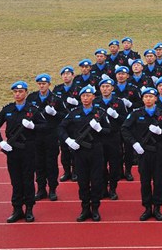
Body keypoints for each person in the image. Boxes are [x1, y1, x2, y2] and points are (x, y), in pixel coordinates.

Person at [0, 81, 45, 223]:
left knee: (27, 180)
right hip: (12, 150)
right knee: (15, 181)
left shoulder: (33, 110)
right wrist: (1, 141)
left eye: (20, 92)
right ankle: (17, 209)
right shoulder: (8, 109)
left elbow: (44, 126)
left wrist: (33, 126)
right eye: (15, 92)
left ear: (26, 93)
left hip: (28, 149)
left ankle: (29, 209)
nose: (17, 94)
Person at [59, 85, 110, 222]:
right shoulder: (74, 112)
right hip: (80, 152)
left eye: (88, 96)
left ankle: (95, 208)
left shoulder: (100, 113)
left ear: (93, 97)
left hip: (96, 150)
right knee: (82, 181)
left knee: (96, 181)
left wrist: (99, 129)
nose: (86, 98)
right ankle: (85, 208)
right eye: (83, 96)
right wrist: (68, 140)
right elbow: (61, 128)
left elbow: (109, 130)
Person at [122, 87, 162, 221]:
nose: (148, 99)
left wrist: (160, 132)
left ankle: (157, 207)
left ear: (155, 98)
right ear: (143, 99)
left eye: (151, 96)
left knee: (159, 180)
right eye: (146, 97)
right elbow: (125, 129)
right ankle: (147, 207)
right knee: (145, 181)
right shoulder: (136, 114)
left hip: (158, 151)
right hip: (143, 151)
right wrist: (134, 143)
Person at [26, 73, 67, 202]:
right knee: (38, 164)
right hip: (36, 136)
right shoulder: (32, 98)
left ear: (49, 84)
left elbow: (65, 115)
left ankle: (53, 189)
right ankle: (41, 189)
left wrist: (55, 113)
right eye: (40, 84)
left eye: (44, 84)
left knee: (51, 164)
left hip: (51, 136)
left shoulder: (56, 99)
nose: (42, 86)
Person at [94, 78, 128, 200]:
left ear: (112, 88)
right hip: (99, 137)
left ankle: (113, 188)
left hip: (114, 137)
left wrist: (117, 115)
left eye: (108, 87)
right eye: (103, 87)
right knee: (100, 164)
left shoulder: (118, 102)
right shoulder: (95, 102)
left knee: (115, 165)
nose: (105, 89)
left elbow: (125, 120)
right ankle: (103, 188)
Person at [53, 65, 80, 182]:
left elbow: (86, 102)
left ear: (73, 75)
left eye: (68, 74)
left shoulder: (78, 88)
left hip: (75, 123)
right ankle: (67, 171)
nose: (66, 76)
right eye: (63, 74)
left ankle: (75, 171)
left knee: (74, 148)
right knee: (64, 149)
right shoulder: (57, 89)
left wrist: (77, 102)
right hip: (62, 122)